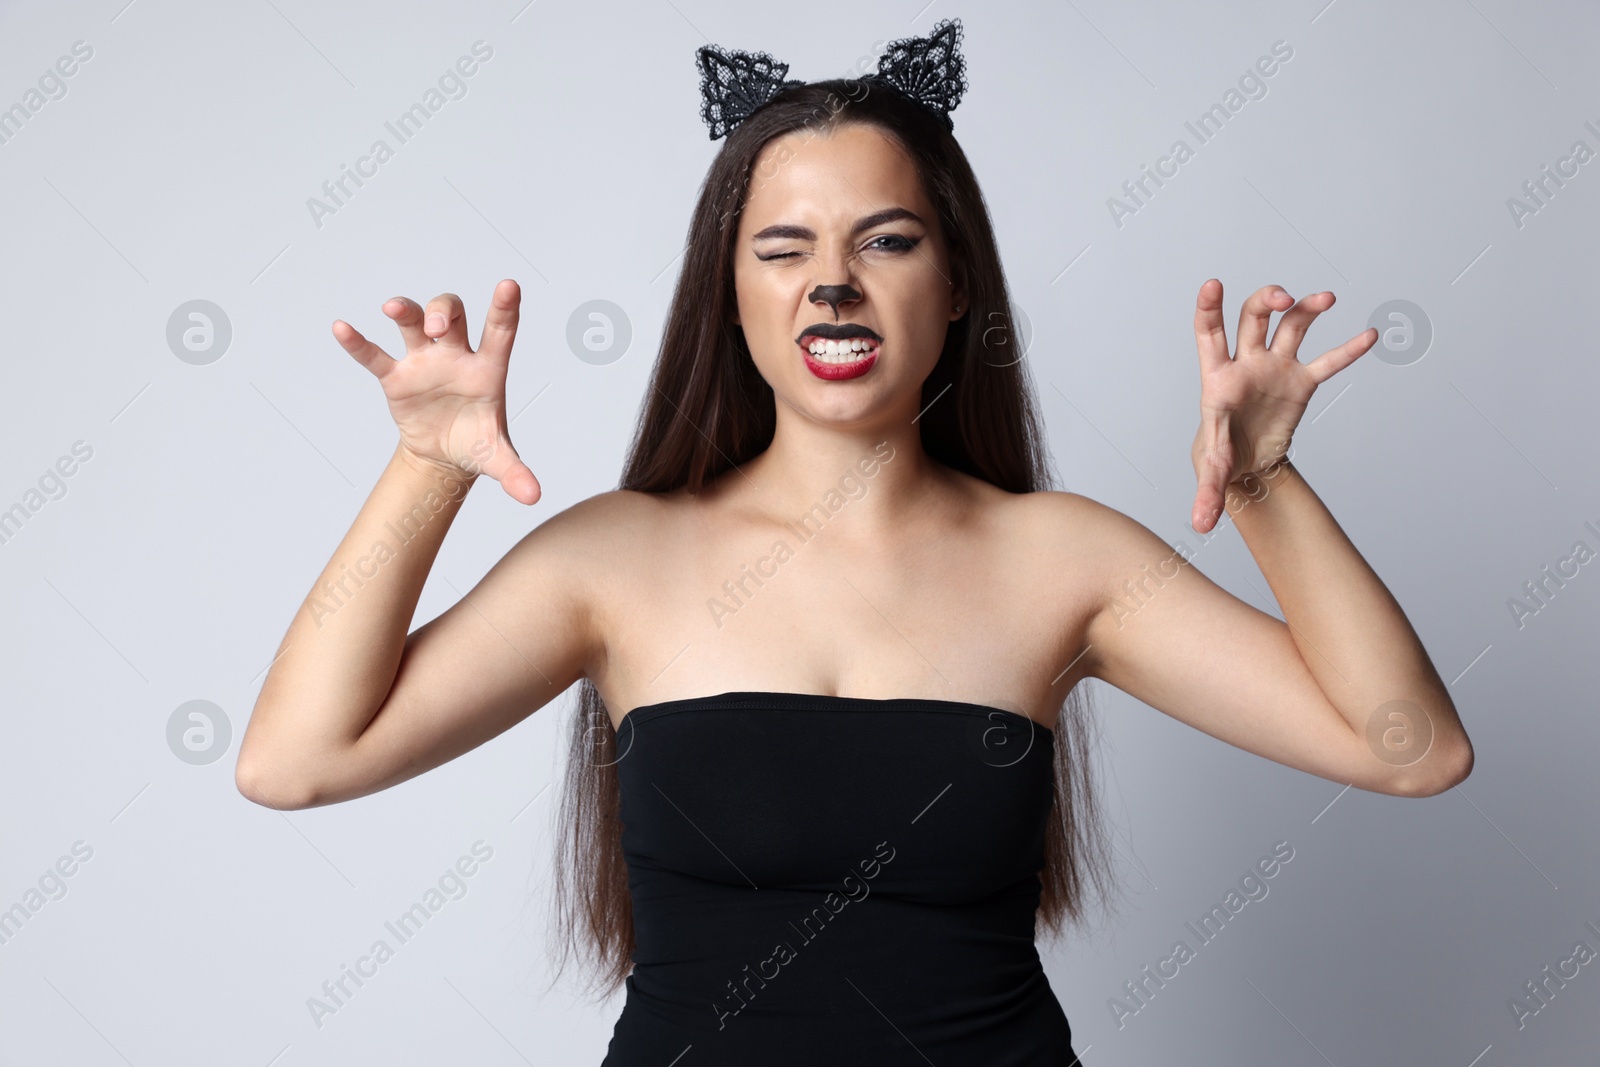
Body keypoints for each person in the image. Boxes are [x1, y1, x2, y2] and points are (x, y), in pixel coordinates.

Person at [235, 19, 1473, 1065]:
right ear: (732, 295)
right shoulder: (610, 560)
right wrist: (424, 468)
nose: (833, 282)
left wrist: (1260, 481)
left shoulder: (1065, 560)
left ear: (956, 285)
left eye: (886, 241)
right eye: (783, 248)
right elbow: (295, 760)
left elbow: (1409, 749)